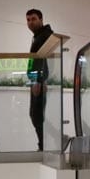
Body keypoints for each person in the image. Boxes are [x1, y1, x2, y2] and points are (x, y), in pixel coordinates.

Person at [26, 8, 54, 151]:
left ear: (41, 20)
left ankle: (43, 146)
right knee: (36, 115)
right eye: (28, 20)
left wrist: (38, 80)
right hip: (36, 80)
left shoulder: (45, 35)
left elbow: (43, 60)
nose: (30, 22)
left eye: (33, 19)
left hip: (39, 81)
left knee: (36, 115)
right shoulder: (38, 36)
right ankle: (49, 142)